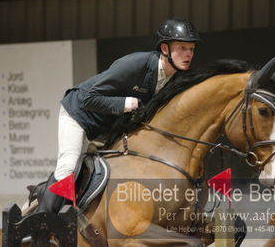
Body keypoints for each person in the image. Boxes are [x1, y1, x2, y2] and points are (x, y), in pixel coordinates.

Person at [37, 17, 201, 213]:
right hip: (79, 114)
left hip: (109, 127)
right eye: (182, 48)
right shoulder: (136, 63)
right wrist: (127, 103)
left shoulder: (177, 78)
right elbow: (89, 98)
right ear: (165, 49)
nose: (188, 54)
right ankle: (42, 224)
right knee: (68, 167)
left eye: (191, 49)